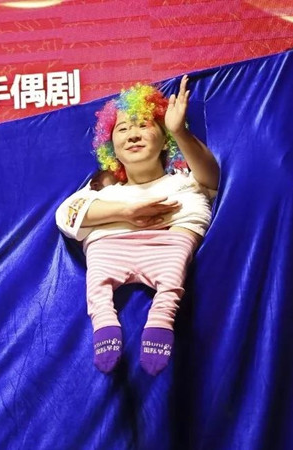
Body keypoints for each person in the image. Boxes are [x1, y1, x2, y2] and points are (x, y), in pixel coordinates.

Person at [55, 76, 220, 375]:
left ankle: (161, 319)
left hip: (168, 247)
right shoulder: (104, 191)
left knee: (171, 276)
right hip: (111, 249)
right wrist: (126, 212)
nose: (132, 134)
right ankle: (104, 323)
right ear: (111, 149)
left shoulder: (184, 181)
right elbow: (66, 215)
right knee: (98, 280)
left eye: (143, 125)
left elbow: (211, 179)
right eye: (122, 129)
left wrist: (179, 131)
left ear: (164, 140)